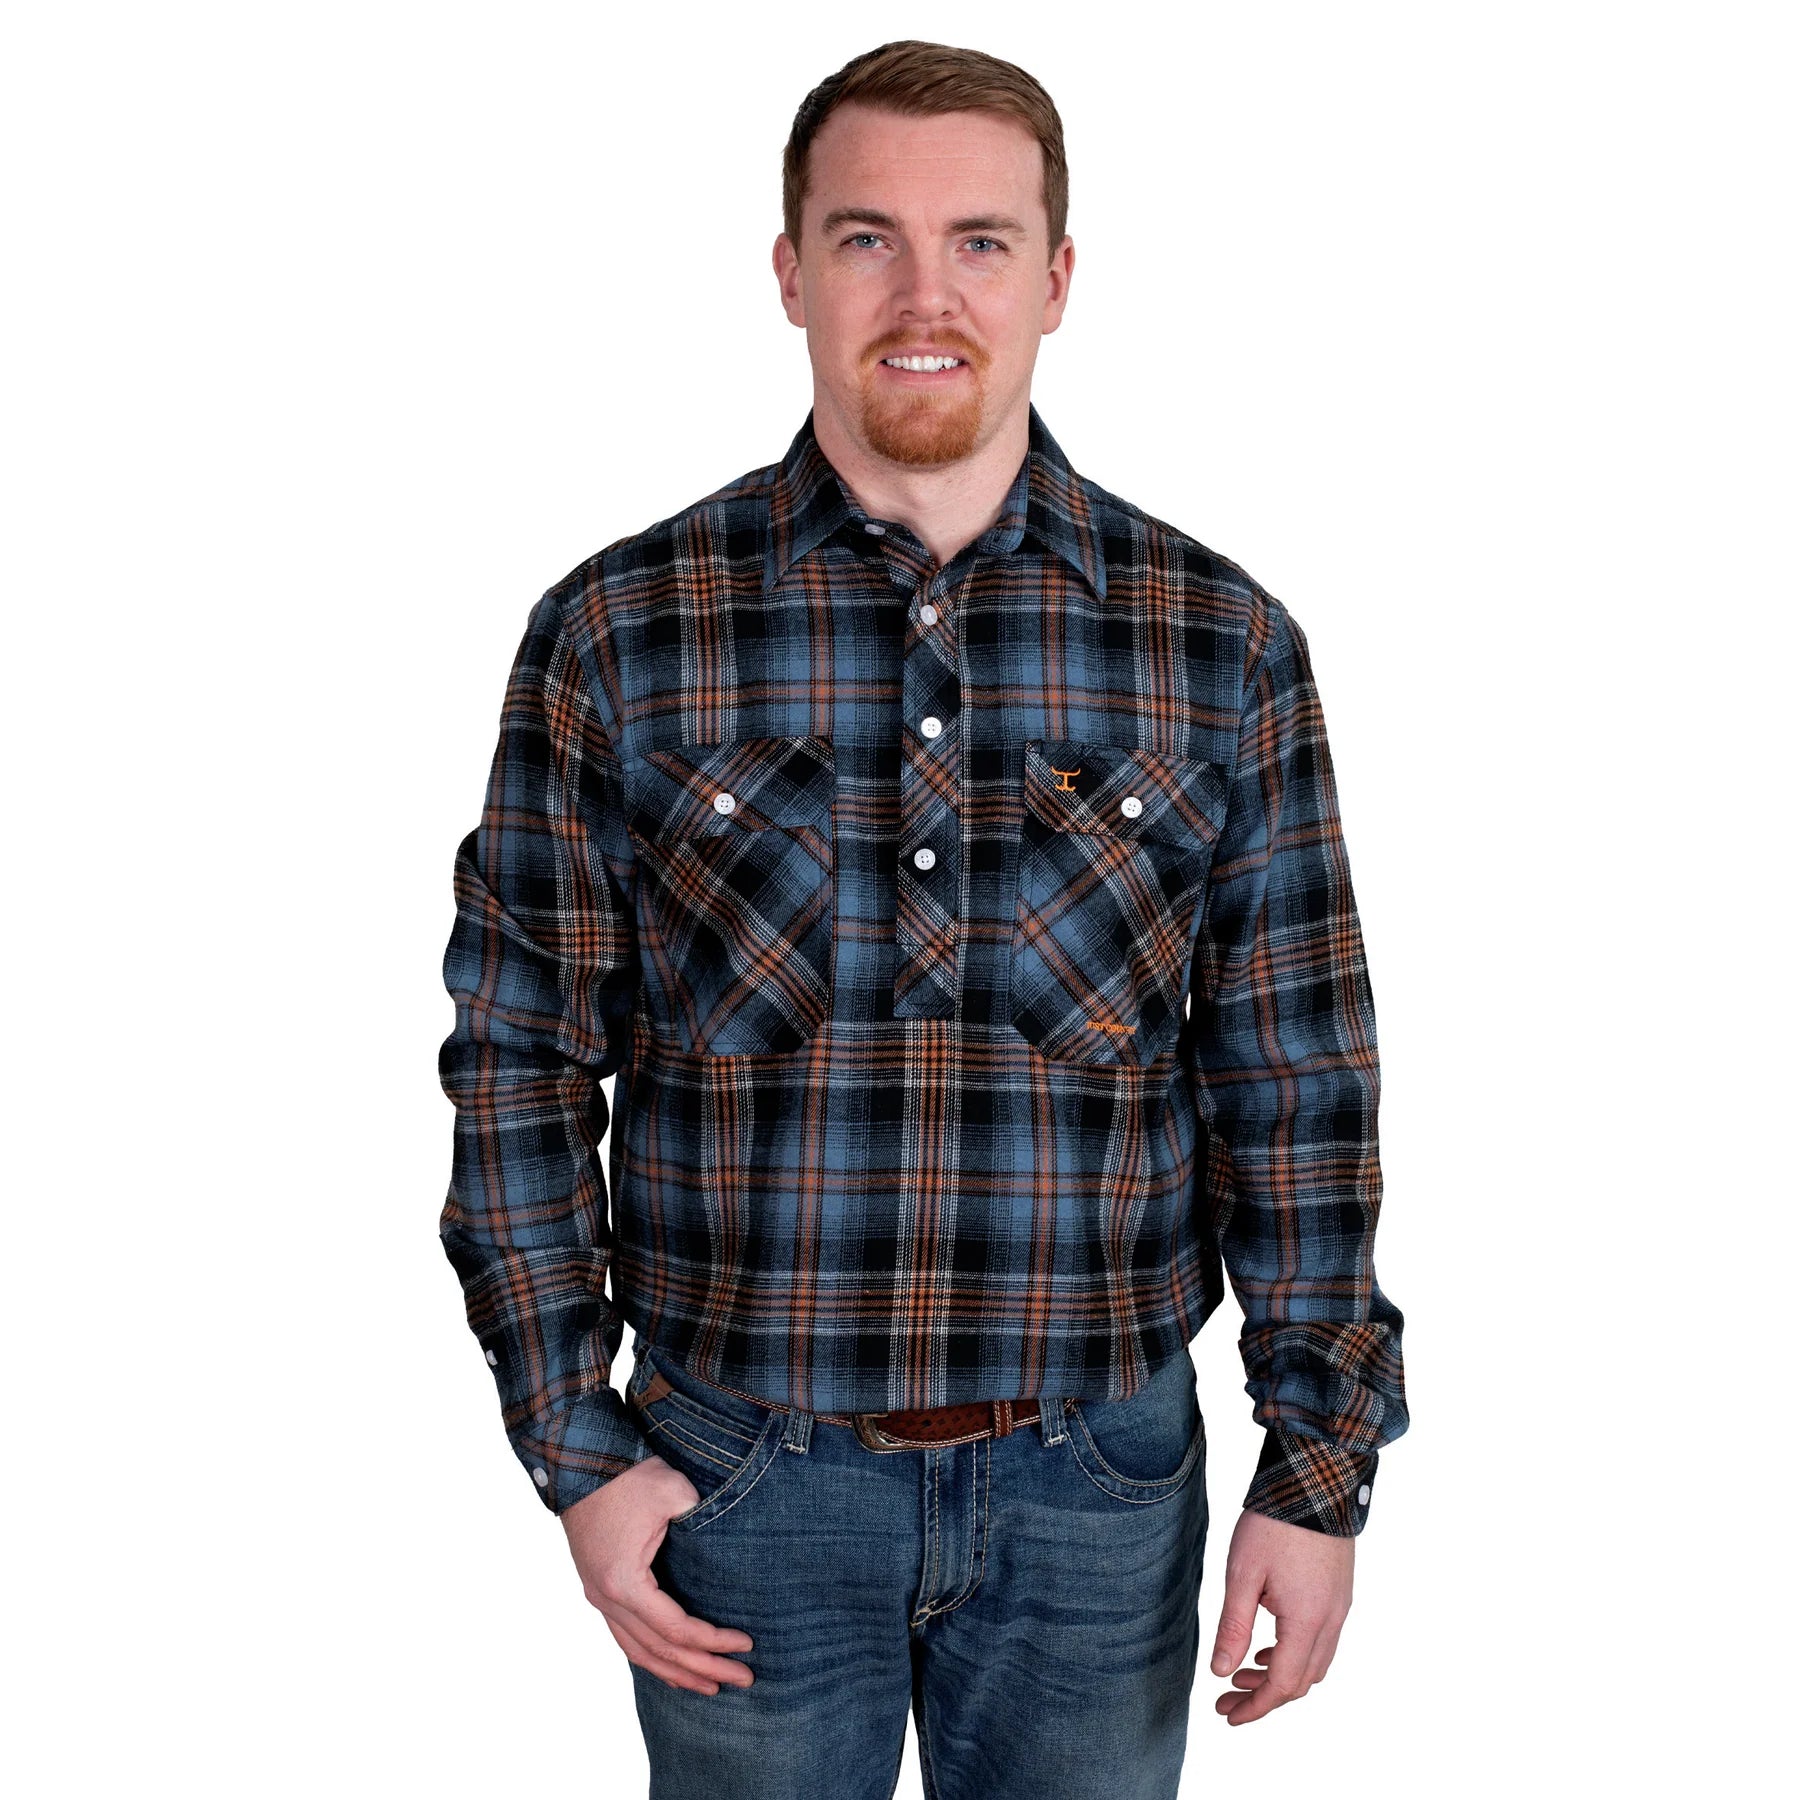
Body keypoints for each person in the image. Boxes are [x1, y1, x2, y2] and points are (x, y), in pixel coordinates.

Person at [437, 37, 1409, 1798]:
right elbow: (518, 1060)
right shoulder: (622, 634)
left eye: (979, 241)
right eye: (867, 238)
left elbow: (1296, 1082)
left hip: (1099, 1486)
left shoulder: (1220, 646)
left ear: (1057, 278)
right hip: (737, 1483)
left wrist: (1316, 1467)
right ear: (791, 271)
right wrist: (574, 1445)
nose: (924, 295)